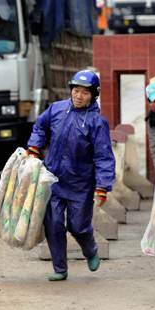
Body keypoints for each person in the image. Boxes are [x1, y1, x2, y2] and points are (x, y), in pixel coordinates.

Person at [26, 70, 116, 281]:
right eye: (76, 91)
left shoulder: (96, 122)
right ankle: (60, 268)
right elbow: (40, 126)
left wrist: (103, 186)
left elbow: (103, 156)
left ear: (93, 95)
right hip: (53, 179)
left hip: (80, 184)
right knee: (54, 223)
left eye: (85, 93)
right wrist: (34, 146)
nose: (78, 96)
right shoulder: (56, 109)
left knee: (78, 226)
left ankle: (91, 249)